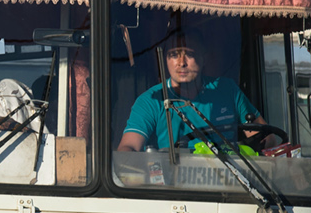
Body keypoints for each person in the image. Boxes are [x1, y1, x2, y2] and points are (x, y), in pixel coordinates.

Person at [117, 30, 274, 152]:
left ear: (204, 57)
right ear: (165, 60)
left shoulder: (227, 90)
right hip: (173, 185)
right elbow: (129, 147)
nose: (181, 63)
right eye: (174, 55)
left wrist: (261, 143)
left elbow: (266, 137)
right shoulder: (151, 100)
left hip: (229, 180)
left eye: (189, 54)